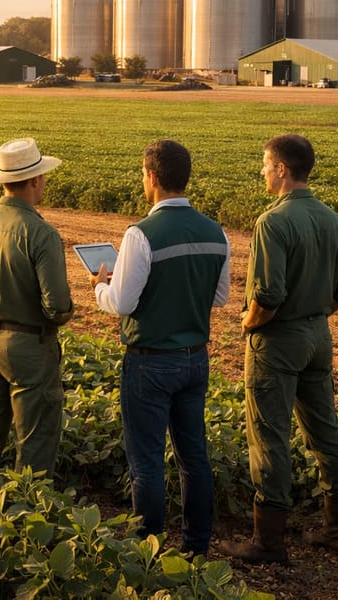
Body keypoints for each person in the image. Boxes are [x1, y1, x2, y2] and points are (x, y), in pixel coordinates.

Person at [217, 133, 338, 564]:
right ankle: (337, 532)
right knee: (326, 430)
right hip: (318, 336)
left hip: (278, 341)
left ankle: (268, 542)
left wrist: (247, 322)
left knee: (269, 435)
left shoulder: (272, 222)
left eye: (265, 164)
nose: (261, 171)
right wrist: (314, 312)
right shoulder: (333, 219)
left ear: (282, 169)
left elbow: (268, 295)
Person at [92, 139, 230, 557]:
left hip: (150, 362)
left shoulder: (140, 233)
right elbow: (220, 297)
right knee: (194, 459)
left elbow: (122, 303)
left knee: (147, 463)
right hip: (195, 359)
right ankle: (196, 548)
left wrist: (101, 285)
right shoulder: (215, 230)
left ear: (151, 177)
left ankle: (146, 551)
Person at [0, 137, 74, 477]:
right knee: (35, 443)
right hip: (29, 349)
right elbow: (57, 308)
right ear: (36, 180)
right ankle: (28, 512)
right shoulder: (41, 233)